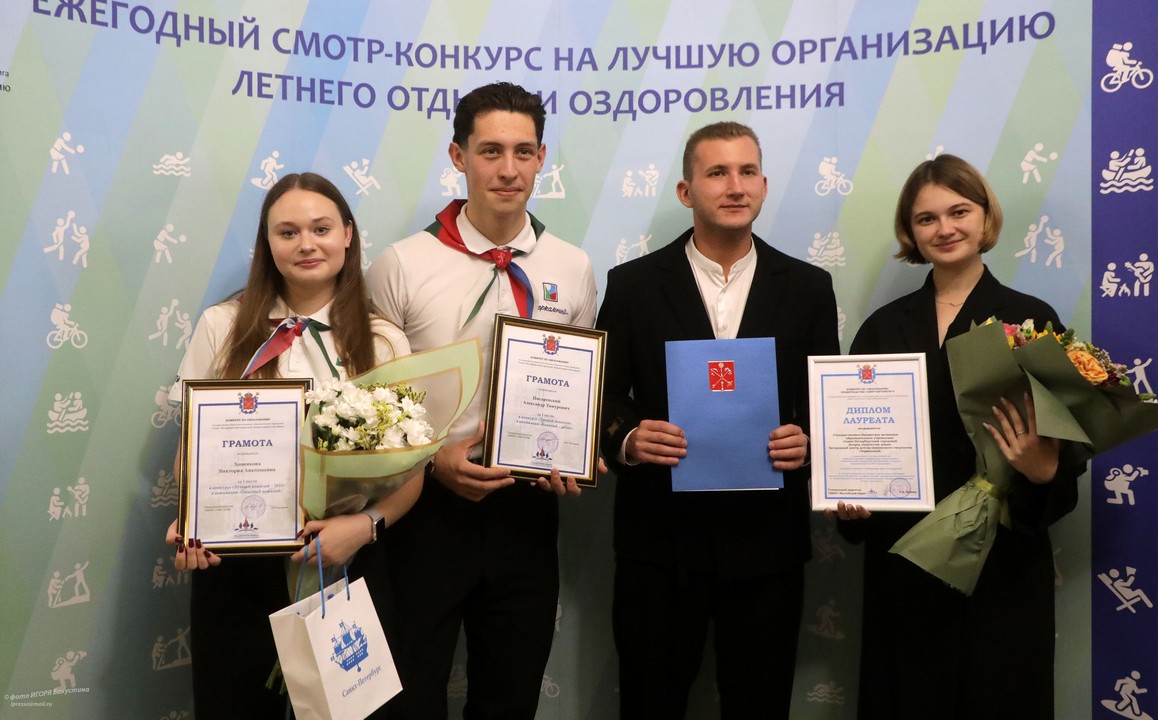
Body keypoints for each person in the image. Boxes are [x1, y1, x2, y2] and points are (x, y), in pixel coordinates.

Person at [363, 81, 597, 719]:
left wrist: (576, 453)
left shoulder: (572, 266)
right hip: (422, 511)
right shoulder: (402, 264)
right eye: (490, 151)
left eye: (523, 152)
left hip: (527, 511)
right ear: (458, 156)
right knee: (411, 697)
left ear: (542, 158)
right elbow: (374, 403)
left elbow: (577, 391)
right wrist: (433, 459)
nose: (508, 169)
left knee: (510, 698)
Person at [596, 121, 840, 719]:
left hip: (767, 547)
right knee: (650, 706)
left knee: (760, 706)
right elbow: (600, 394)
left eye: (747, 171)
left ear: (764, 185)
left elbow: (825, 403)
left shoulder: (809, 287)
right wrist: (629, 437)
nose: (736, 186)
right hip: (659, 542)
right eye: (717, 173)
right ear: (686, 191)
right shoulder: (632, 286)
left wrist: (809, 441)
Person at [832, 154, 1082, 719]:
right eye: (926, 218)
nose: (944, 228)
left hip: (1002, 560)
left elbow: (1066, 451)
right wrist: (850, 499)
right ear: (910, 232)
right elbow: (852, 439)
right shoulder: (883, 327)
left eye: (959, 211)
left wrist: (1045, 471)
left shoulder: (1030, 319)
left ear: (985, 217)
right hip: (906, 557)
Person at [163, 172, 418, 719]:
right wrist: (196, 520)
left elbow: (411, 470)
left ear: (347, 234)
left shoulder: (383, 340)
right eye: (288, 232)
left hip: (344, 560)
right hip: (238, 567)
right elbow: (191, 454)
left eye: (321, 229)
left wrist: (364, 526)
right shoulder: (222, 326)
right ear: (267, 243)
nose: (306, 244)